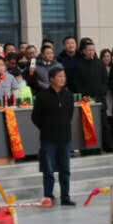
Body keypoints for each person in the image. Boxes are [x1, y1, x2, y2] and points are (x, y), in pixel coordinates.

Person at [32, 67, 76, 206]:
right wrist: (46, 128)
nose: (63, 79)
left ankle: (65, 197)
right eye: (59, 76)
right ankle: (49, 197)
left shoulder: (68, 95)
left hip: (64, 137)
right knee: (48, 170)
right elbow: (35, 117)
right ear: (51, 79)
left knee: (65, 169)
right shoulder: (42, 96)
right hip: (48, 138)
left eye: (64, 76)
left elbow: (70, 115)